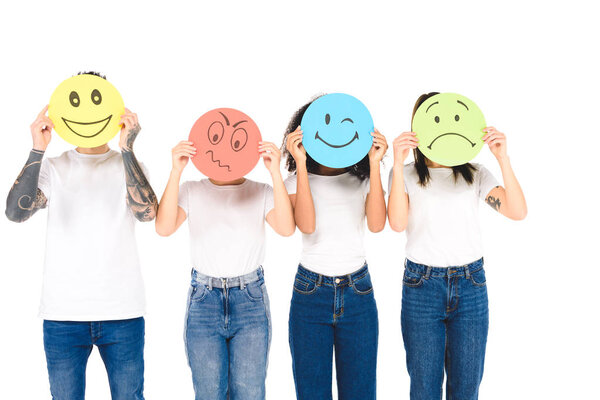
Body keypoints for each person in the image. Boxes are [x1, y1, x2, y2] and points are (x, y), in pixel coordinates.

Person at [5, 71, 157, 400]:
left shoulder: (131, 165)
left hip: (122, 312)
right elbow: (16, 213)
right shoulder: (53, 167)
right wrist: (37, 149)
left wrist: (128, 149)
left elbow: (148, 214)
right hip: (63, 315)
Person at [387, 92, 528, 400]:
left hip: (470, 285)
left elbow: (517, 211)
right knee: (424, 387)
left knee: (466, 388)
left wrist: (502, 158)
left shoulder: (475, 173)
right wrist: (398, 164)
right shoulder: (407, 175)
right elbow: (397, 223)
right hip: (421, 286)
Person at [155, 135, 294, 400]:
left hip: (250, 298)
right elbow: (164, 228)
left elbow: (287, 229)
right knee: (208, 392)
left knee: (250, 391)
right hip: (204, 298)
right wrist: (175, 171)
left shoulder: (261, 190)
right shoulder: (191, 189)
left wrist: (275, 172)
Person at [282, 98, 388, 400]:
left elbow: (378, 224)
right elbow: (306, 225)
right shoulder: (293, 182)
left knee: (361, 391)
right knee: (311, 392)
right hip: (310, 293)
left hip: (358, 291)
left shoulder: (363, 180)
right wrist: (301, 164)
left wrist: (375, 164)